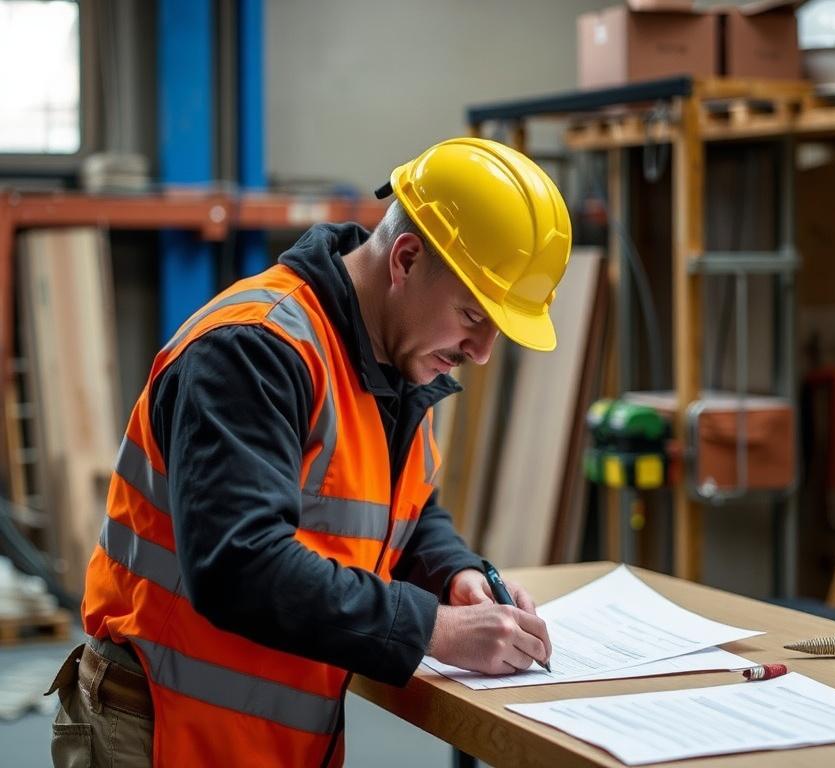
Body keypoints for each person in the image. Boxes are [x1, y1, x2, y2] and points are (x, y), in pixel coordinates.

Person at [47, 137, 572, 767]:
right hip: (162, 732)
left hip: (268, 737)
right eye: (472, 315)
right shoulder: (254, 350)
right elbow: (239, 564)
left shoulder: (395, 367)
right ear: (404, 259)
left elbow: (397, 511)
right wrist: (431, 629)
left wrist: (452, 573)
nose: (482, 351)